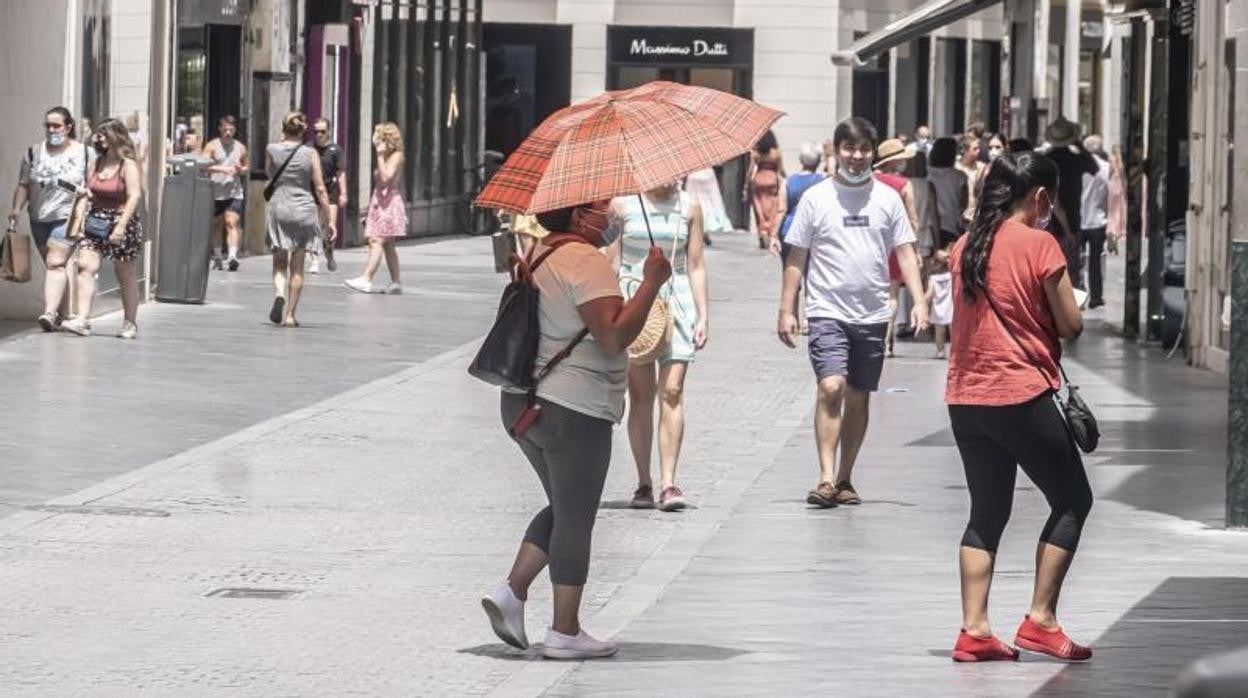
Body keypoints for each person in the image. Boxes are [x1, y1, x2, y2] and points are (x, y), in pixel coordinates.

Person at [482, 201, 672, 660]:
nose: (608, 214)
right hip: (572, 407)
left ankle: (512, 592)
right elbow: (613, 336)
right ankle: (565, 631)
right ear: (578, 216)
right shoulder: (585, 260)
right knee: (575, 516)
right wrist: (651, 283)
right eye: (599, 207)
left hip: (522, 401)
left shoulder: (540, 252)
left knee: (567, 505)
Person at [945, 151, 1092, 663]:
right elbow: (1070, 325)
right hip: (1019, 391)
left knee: (987, 511)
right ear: (1041, 197)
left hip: (964, 396)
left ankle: (975, 630)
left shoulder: (965, 245)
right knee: (1073, 500)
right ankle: (1040, 620)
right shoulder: (1040, 243)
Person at [777, 117, 928, 508]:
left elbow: (906, 253)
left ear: (872, 153)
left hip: (873, 312)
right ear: (837, 150)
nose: (857, 157)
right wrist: (787, 308)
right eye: (849, 149)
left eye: (863, 150)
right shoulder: (816, 198)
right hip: (826, 309)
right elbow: (797, 256)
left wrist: (920, 301)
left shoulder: (887, 199)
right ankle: (825, 478)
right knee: (832, 386)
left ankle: (846, 477)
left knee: (859, 396)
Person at [608, 184, 709, 512]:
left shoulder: (689, 205)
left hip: (677, 303)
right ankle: (644, 482)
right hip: (636, 303)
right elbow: (611, 260)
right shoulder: (623, 205)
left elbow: (695, 264)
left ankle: (669, 483)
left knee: (673, 391)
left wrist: (703, 313)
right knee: (641, 396)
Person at [7, 106, 91, 331]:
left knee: (55, 263)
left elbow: (93, 184)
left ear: (68, 127)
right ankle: (65, 316)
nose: (52, 130)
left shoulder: (83, 152)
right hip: (39, 217)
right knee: (56, 266)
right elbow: (24, 184)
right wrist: (16, 208)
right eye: (48, 125)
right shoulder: (33, 152)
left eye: (57, 125)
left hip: (68, 216)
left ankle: (49, 313)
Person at [62, 119, 143, 339]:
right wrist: (85, 193)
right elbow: (92, 189)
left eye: (104, 134)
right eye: (99, 135)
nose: (100, 139)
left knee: (124, 272)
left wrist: (121, 226)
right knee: (85, 266)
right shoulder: (97, 163)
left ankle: (130, 322)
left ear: (116, 136)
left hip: (121, 221)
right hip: (95, 221)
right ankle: (83, 319)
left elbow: (134, 195)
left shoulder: (128, 165)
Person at [265, 111, 334, 327]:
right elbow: (321, 188)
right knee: (297, 265)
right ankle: (290, 315)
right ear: (303, 132)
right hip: (304, 209)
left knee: (279, 259)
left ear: (283, 129)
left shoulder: (272, 149)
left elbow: (270, 175)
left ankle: (279, 293)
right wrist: (329, 220)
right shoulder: (310, 153)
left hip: (280, 207)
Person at [872, 138, 923, 357]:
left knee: (876, 292)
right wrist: (915, 250)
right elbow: (913, 221)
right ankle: (886, 338)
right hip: (896, 244)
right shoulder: (904, 185)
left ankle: (876, 336)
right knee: (892, 294)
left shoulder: (869, 181)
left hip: (873, 241)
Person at [345, 122, 406, 294]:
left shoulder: (396, 156)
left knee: (376, 240)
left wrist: (379, 156)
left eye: (379, 138)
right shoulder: (387, 156)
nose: (376, 142)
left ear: (388, 139)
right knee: (388, 245)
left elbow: (386, 178)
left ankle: (367, 278)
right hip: (380, 202)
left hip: (389, 204)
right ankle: (396, 282)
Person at [1038, 117, 1098, 290]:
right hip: (1072, 219)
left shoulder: (1046, 159)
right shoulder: (1076, 159)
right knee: (1072, 269)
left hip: (1048, 222)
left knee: (1049, 269)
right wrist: (1079, 145)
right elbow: (1095, 168)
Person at [203, 115, 249, 271]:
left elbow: (246, 167)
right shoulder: (212, 146)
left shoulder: (241, 147)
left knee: (232, 222)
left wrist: (240, 170)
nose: (228, 132)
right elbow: (203, 166)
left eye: (231, 129)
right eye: (225, 129)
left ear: (235, 130)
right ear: (220, 129)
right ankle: (217, 257)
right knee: (216, 225)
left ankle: (232, 256)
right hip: (215, 191)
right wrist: (222, 169)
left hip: (234, 191)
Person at [309, 118, 347, 274]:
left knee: (329, 229)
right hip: (312, 192)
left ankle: (329, 252)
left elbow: (341, 173)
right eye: (316, 131)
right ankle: (315, 261)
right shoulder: (309, 149)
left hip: (330, 192)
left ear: (329, 132)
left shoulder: (335, 150)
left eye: (322, 131)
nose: (319, 135)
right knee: (314, 227)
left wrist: (343, 193)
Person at [777, 142, 825, 262]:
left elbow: (781, 210)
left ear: (800, 159)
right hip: (814, 230)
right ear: (819, 161)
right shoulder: (824, 182)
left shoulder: (787, 181)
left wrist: (773, 234)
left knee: (789, 267)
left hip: (789, 229)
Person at [1081, 135, 1111, 308]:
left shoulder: (1078, 166)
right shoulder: (1105, 168)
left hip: (1079, 220)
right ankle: (1096, 296)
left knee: (1077, 262)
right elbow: (1111, 194)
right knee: (1095, 262)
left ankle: (1078, 298)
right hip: (1098, 220)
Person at [927, 137, 969, 248]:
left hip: (929, 225)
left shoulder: (926, 173)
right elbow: (964, 204)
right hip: (951, 225)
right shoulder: (960, 176)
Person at [748, 129, 784, 250]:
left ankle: (762, 232)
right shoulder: (776, 153)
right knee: (772, 207)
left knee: (759, 208)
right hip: (772, 179)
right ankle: (770, 230)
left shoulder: (756, 153)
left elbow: (750, 169)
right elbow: (781, 170)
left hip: (759, 180)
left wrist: (746, 182)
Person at [682, 167, 732, 246]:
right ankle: (702, 232)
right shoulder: (708, 164)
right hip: (706, 174)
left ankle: (697, 233)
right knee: (705, 206)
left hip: (694, 174)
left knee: (693, 203)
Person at [925, 248, 953, 358]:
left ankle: (940, 351)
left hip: (938, 308)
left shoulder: (933, 278)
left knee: (939, 332)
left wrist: (923, 303)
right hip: (951, 306)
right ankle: (954, 351)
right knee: (953, 332)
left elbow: (929, 294)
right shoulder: (952, 275)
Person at [957, 134, 986, 221]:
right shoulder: (955, 169)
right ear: (964, 151)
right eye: (975, 149)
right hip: (959, 217)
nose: (979, 151)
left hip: (976, 216)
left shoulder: (982, 168)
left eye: (978, 148)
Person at [1106, 145, 1127, 254]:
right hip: (1120, 185)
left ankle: (1111, 230)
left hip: (1112, 184)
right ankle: (1118, 230)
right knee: (1119, 208)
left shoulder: (1111, 159)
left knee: (1111, 210)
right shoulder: (1120, 161)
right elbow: (1123, 172)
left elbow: (1109, 171)